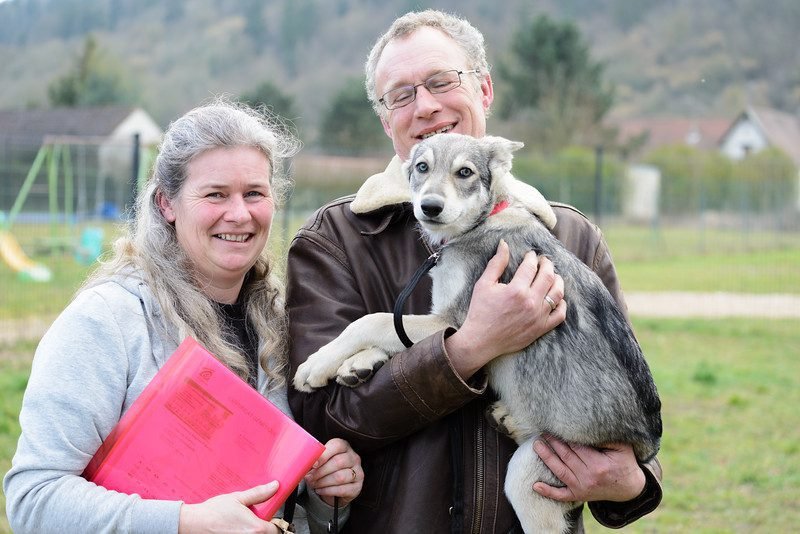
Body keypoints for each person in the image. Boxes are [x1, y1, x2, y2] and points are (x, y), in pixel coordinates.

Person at [286, 9, 662, 533]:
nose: (426, 105)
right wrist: (470, 347)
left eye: (442, 81)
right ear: (384, 118)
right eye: (401, 94)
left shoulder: (570, 237)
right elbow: (317, 416)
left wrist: (633, 483)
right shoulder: (336, 240)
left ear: (484, 89)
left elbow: (623, 401)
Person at [4, 99, 363, 534]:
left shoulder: (282, 323)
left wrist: (323, 494)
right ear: (167, 203)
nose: (239, 213)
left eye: (254, 193)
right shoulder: (108, 321)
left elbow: (279, 507)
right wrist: (183, 523)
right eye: (215, 194)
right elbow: (34, 501)